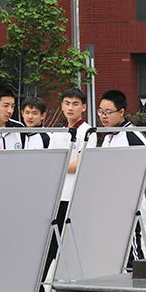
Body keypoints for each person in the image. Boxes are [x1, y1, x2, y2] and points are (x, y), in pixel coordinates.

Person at [97, 90, 146, 267]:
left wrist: (134, 184)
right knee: (116, 249)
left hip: (128, 204)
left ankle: (138, 279)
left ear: (121, 112)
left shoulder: (132, 134)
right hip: (111, 203)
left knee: (131, 249)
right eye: (100, 111)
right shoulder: (109, 135)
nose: (103, 116)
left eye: (108, 112)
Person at [42, 88, 92, 278]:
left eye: (75, 104)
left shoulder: (88, 132)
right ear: (61, 106)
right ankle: (41, 285)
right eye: (67, 103)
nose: (70, 108)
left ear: (84, 107)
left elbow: (80, 164)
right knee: (50, 243)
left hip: (74, 197)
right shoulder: (57, 133)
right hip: (56, 196)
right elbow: (49, 162)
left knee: (70, 244)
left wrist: (57, 166)